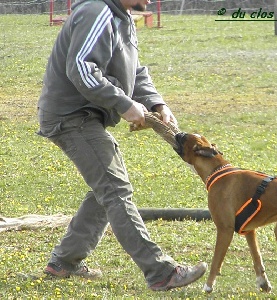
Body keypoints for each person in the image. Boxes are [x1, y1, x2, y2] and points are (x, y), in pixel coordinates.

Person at [37, 0, 207, 291]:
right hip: (71, 117)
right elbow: (81, 68)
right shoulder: (96, 12)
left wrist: (156, 102)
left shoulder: (122, 16)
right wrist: (124, 104)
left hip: (86, 116)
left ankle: (63, 263)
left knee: (110, 188)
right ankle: (161, 272)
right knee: (115, 190)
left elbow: (133, 70)